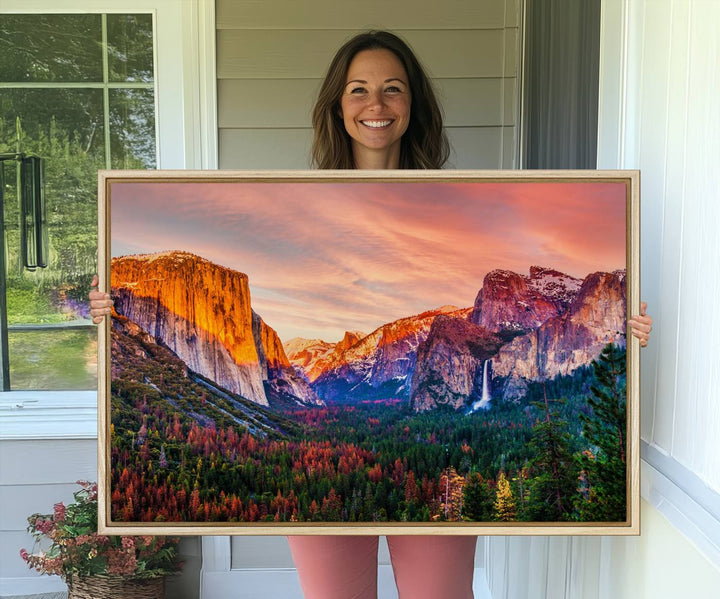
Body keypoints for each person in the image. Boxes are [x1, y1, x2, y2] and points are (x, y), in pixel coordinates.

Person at [89, 30, 653, 599]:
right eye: (358, 90)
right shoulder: (297, 201)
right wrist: (110, 312)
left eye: (392, 89)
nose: (376, 105)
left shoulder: (458, 199)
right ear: (338, 105)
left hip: (433, 476)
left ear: (413, 105)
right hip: (327, 490)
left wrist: (618, 334)